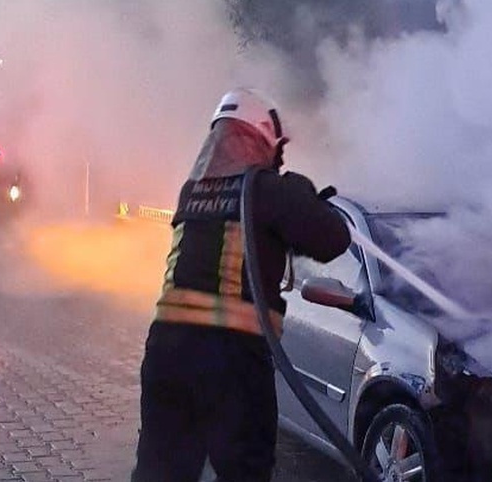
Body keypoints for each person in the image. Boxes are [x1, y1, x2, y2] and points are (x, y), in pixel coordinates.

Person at [132, 88, 351, 482]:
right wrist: (301, 192)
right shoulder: (268, 190)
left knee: (161, 472)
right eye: (274, 149)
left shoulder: (192, 191)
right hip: (231, 360)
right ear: (259, 137)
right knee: (245, 471)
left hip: (166, 353)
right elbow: (334, 239)